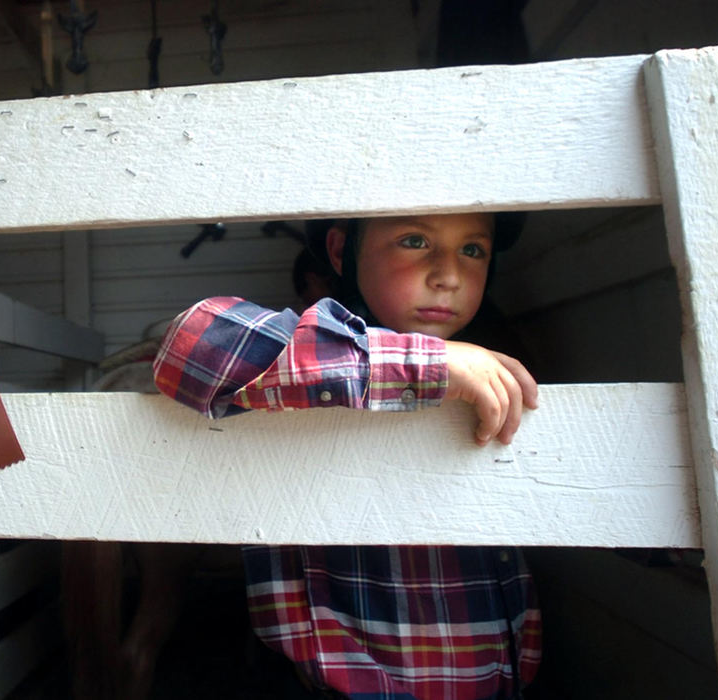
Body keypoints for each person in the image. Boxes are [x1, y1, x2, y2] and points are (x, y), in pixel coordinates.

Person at [152, 212, 542, 699]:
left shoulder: (497, 358)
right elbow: (195, 341)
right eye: (415, 240)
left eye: (472, 250)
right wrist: (430, 363)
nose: (449, 274)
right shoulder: (316, 345)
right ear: (341, 252)